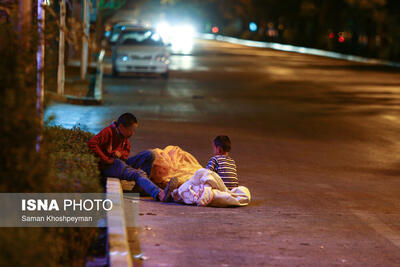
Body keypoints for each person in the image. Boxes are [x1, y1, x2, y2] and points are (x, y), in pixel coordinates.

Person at [88, 113, 178, 201]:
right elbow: (92, 144)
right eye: (131, 130)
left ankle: (140, 188)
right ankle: (159, 194)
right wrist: (106, 159)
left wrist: (120, 154)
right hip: (110, 166)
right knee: (138, 174)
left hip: (121, 163)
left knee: (150, 154)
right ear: (122, 127)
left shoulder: (124, 137)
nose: (132, 133)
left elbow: (126, 154)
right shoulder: (108, 132)